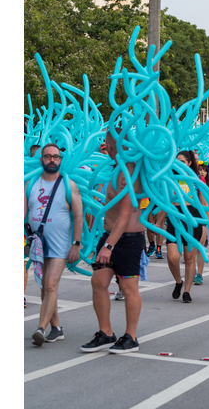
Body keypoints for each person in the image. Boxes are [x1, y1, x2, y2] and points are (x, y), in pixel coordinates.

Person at [81, 131, 147, 353]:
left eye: (107, 145)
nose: (105, 148)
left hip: (127, 240)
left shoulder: (128, 172)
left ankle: (131, 337)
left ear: (112, 146)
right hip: (110, 237)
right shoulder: (117, 170)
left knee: (129, 288)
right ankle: (106, 333)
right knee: (98, 281)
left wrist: (108, 246)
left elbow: (125, 214)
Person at [25, 144, 83, 346]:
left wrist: (76, 244)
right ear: (41, 159)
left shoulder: (69, 185)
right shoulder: (31, 184)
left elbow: (78, 216)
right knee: (45, 286)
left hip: (59, 244)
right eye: (47, 156)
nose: (51, 160)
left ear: (60, 160)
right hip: (37, 244)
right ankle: (56, 328)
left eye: (55, 157)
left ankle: (41, 328)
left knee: (49, 285)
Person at [165, 150, 209, 303]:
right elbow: (165, 202)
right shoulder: (170, 179)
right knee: (172, 257)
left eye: (182, 161)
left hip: (193, 220)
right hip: (174, 219)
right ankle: (179, 282)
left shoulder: (197, 179)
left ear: (189, 163)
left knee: (189, 257)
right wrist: (159, 222)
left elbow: (204, 204)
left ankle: (187, 291)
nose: (179, 164)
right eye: (176, 161)